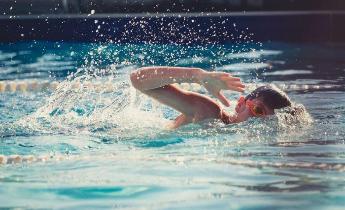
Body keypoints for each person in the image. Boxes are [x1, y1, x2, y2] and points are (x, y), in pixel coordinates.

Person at [130, 66, 292, 129]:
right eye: (258, 110)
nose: (257, 123)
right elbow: (137, 79)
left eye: (268, 121)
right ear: (240, 104)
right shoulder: (210, 112)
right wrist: (196, 76)